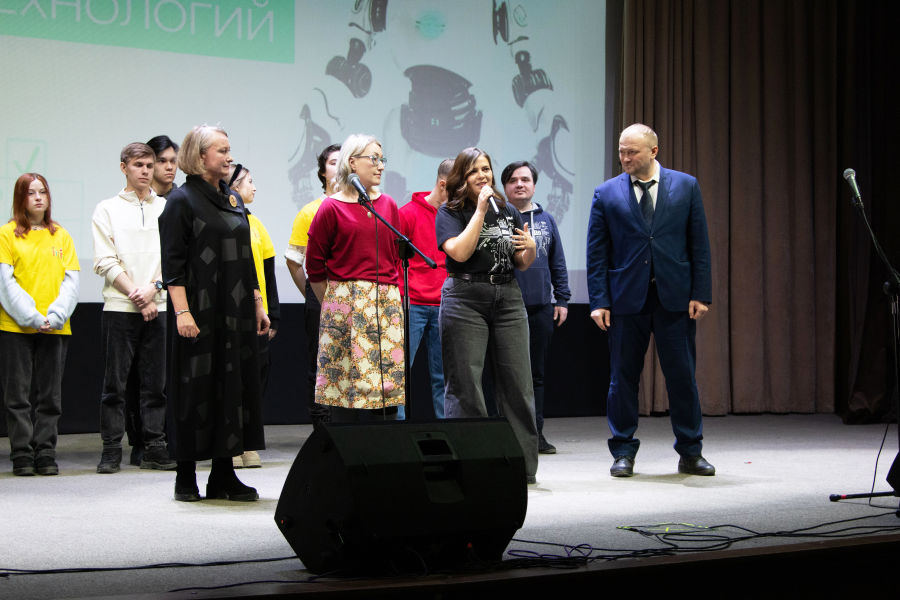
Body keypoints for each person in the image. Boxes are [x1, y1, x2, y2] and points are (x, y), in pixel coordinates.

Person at [586, 123, 714, 478]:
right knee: (622, 379)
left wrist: (701, 293)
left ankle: (691, 452)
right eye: (621, 151)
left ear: (653, 151)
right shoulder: (605, 193)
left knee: (682, 378)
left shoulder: (686, 185)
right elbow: (597, 252)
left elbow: (699, 244)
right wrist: (599, 301)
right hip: (626, 299)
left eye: (632, 152)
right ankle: (623, 451)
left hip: (675, 297)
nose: (625, 158)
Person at [158, 125, 269, 502]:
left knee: (232, 387)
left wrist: (257, 303)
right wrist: (182, 313)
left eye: (229, 150)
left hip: (235, 310)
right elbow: (172, 264)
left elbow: (246, 257)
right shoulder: (182, 200)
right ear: (199, 155)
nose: (228, 157)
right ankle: (185, 476)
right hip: (199, 310)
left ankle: (223, 475)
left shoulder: (233, 199)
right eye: (221, 150)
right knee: (194, 389)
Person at [435, 147, 539, 484]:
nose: (483, 176)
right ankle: (473, 464)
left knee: (518, 385)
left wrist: (530, 250)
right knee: (466, 387)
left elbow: (520, 261)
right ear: (461, 178)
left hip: (507, 296)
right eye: (474, 171)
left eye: (486, 169)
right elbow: (459, 252)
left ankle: (522, 467)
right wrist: (480, 210)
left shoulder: (507, 210)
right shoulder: (450, 211)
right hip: (465, 297)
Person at [305, 133, 404, 422]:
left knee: (385, 387)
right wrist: (336, 303)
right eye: (374, 159)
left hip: (385, 304)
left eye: (382, 159)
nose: (381, 166)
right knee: (344, 385)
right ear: (352, 162)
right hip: (345, 304)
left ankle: (383, 446)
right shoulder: (331, 207)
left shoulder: (388, 205)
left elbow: (395, 257)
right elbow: (314, 266)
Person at [92, 143, 174, 474]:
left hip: (159, 305)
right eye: (138, 165)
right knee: (115, 385)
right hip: (120, 308)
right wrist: (137, 295)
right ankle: (111, 449)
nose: (145, 171)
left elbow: (174, 258)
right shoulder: (106, 209)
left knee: (156, 385)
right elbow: (104, 260)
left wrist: (153, 289)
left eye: (149, 165)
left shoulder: (166, 208)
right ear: (123, 167)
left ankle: (154, 446)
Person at [0, 173, 80, 476]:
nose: (38, 198)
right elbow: (6, 283)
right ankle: (22, 454)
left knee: (50, 396)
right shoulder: (7, 234)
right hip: (16, 327)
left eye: (42, 192)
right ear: (20, 198)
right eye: (31, 192)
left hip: (55, 326)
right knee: (17, 396)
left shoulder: (61, 235)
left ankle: (46, 452)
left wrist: (55, 316)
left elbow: (71, 282)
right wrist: (32, 317)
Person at [501, 160, 570, 454]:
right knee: (505, 377)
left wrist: (562, 299)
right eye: (513, 180)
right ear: (505, 186)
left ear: (534, 185)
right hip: (503, 310)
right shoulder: (497, 218)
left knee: (536, 376)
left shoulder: (547, 220)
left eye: (525, 179)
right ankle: (504, 436)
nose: (520, 184)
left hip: (540, 308)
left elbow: (558, 261)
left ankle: (535, 435)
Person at [228, 163, 280, 468]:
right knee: (232, 381)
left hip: (258, 315)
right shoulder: (226, 221)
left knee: (255, 381)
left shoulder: (256, 224)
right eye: (249, 181)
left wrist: (274, 314)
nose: (254, 187)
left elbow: (269, 272)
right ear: (233, 187)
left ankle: (249, 442)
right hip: (231, 312)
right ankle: (231, 443)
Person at [284, 143, 340, 428]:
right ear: (322, 172)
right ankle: (322, 427)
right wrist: (312, 292)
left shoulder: (363, 206)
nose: (339, 168)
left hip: (354, 296)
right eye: (333, 163)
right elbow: (294, 261)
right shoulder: (310, 211)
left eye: (344, 162)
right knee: (320, 364)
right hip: (321, 296)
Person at [397, 158, 453, 420]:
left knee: (444, 375)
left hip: (445, 304)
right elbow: (394, 259)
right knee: (399, 371)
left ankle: (447, 429)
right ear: (443, 184)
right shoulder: (407, 213)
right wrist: (401, 295)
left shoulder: (455, 217)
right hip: (413, 305)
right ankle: (397, 431)